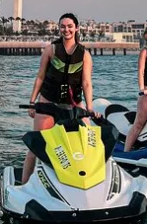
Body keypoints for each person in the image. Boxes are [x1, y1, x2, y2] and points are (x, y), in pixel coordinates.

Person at [21, 13, 96, 184]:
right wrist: (32, 103)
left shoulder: (84, 54)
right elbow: (40, 77)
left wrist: (89, 108)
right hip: (48, 102)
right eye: (63, 26)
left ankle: (85, 182)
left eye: (70, 26)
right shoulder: (51, 50)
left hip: (73, 104)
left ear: (76, 28)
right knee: (37, 145)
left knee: (88, 142)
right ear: (59, 28)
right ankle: (23, 185)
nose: (66, 29)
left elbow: (86, 83)